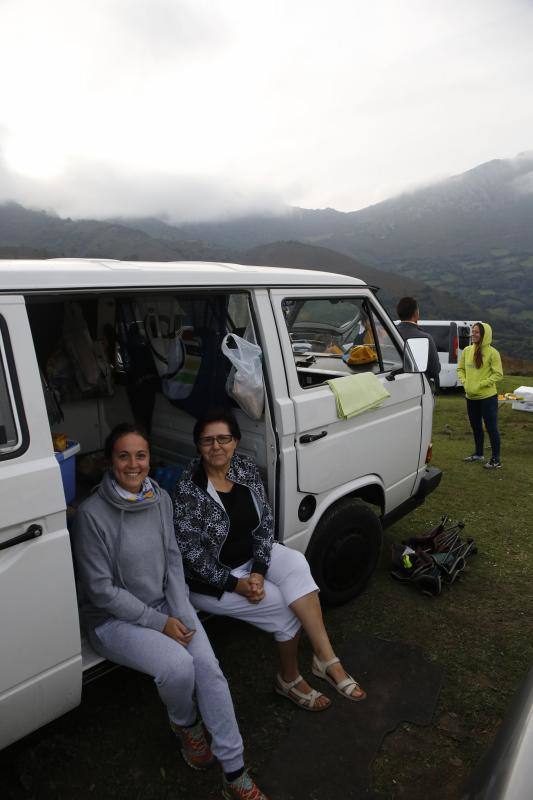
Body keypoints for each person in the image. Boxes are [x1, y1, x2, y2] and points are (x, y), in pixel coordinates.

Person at [72, 422, 268, 800]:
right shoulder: (91, 515)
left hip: (166, 606)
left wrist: (180, 612)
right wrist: (161, 623)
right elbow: (100, 591)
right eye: (123, 455)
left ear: (149, 459)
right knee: (177, 667)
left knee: (209, 670)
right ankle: (186, 726)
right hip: (114, 620)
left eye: (140, 455)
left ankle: (235, 771)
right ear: (109, 461)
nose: (133, 464)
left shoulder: (159, 498)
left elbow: (173, 561)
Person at [173, 408, 366, 713]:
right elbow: (191, 553)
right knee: (283, 608)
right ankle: (288, 680)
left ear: (235, 441)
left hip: (251, 561)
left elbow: (264, 523)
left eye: (224, 438)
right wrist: (236, 585)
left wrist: (260, 571)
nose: (216, 446)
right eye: (207, 440)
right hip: (212, 579)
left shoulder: (245, 469)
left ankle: (325, 658)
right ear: (198, 446)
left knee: (297, 564)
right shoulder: (189, 488)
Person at [457, 321, 503, 469]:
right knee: (476, 426)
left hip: (487, 397)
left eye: (477, 332)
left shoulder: (493, 353)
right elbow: (460, 369)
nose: (473, 334)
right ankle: (478, 454)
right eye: (473, 331)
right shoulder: (466, 351)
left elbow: (498, 374)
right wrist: (466, 383)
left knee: (491, 428)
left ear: (485, 335)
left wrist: (481, 384)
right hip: (471, 397)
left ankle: (496, 459)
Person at [396, 297, 441, 388]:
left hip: (394, 383)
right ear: (416, 313)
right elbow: (435, 368)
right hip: (418, 386)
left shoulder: (390, 334)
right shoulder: (425, 337)